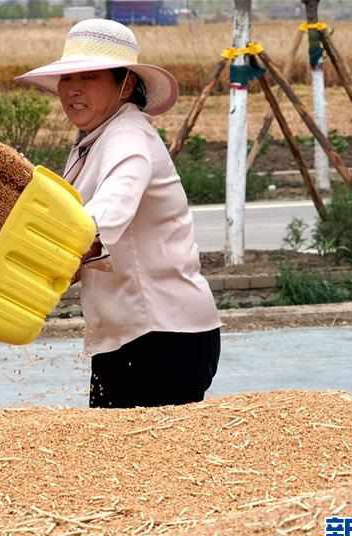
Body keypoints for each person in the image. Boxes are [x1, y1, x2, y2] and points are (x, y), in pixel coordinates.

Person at [16, 19, 221, 408]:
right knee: (117, 462)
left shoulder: (128, 140)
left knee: (143, 462)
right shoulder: (94, 141)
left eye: (89, 77)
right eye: (67, 78)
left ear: (124, 84)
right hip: (127, 335)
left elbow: (98, 223)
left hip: (162, 336)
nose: (73, 90)